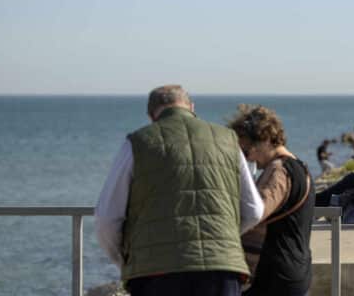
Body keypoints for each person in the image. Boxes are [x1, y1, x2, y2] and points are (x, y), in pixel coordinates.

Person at [94, 85, 264, 296]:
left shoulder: (137, 143)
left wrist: (124, 260)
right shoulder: (228, 140)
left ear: (151, 115)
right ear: (191, 107)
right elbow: (255, 209)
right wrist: (222, 239)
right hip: (222, 268)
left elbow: (107, 217)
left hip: (156, 271)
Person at [228, 105, 315, 296]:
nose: (247, 158)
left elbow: (255, 212)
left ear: (265, 140)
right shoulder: (300, 167)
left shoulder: (279, 171)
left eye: (247, 150)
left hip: (276, 275)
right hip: (295, 268)